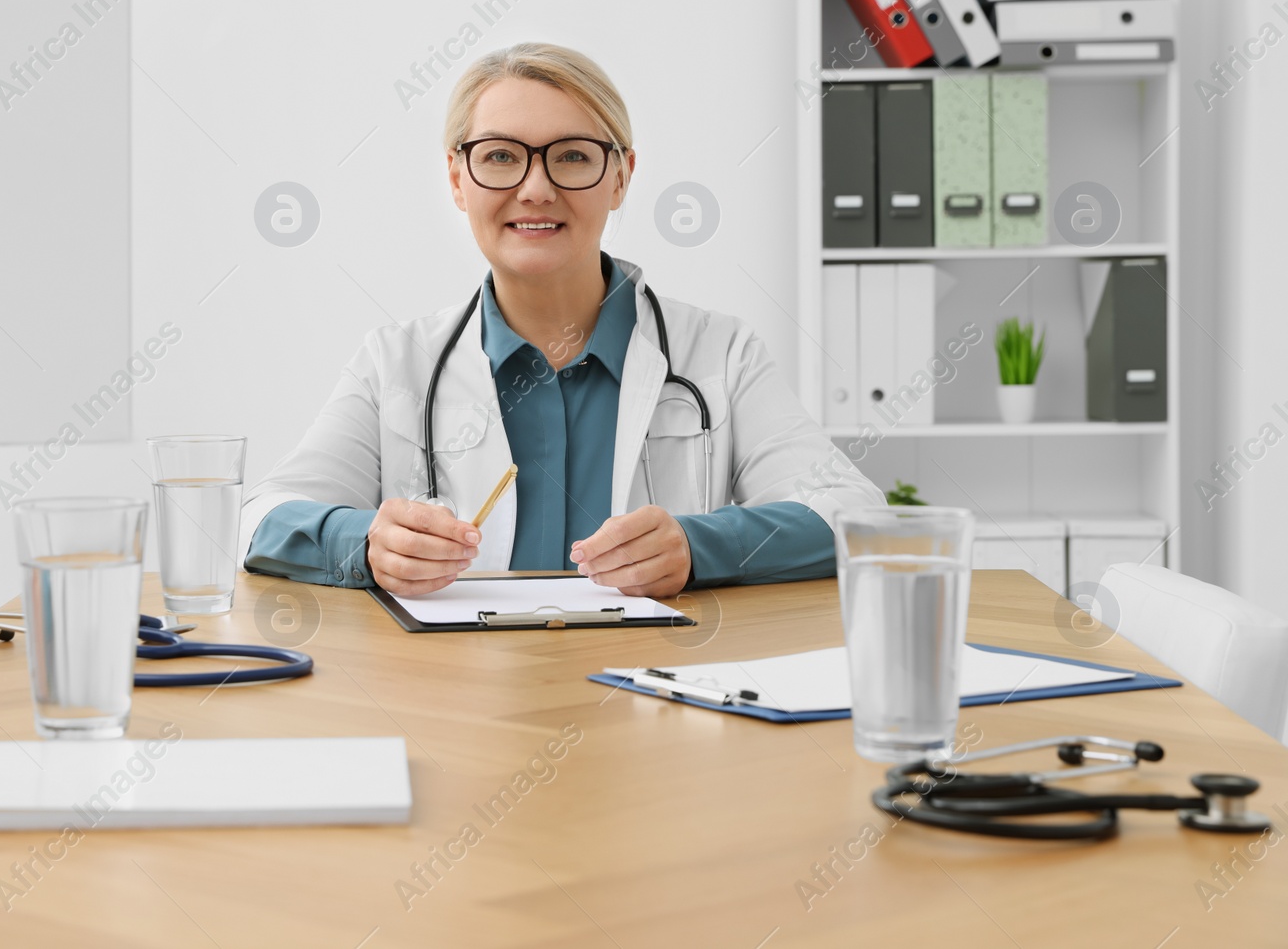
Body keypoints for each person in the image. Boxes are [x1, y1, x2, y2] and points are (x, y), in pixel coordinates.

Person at [240, 42, 883, 598]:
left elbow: (856, 517)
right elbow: (258, 519)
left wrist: (697, 547)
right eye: (499, 156)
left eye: (572, 156)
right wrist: (366, 542)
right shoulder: (394, 363)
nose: (537, 189)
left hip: (657, 702)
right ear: (457, 179)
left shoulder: (721, 353)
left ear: (621, 177)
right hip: (464, 703)